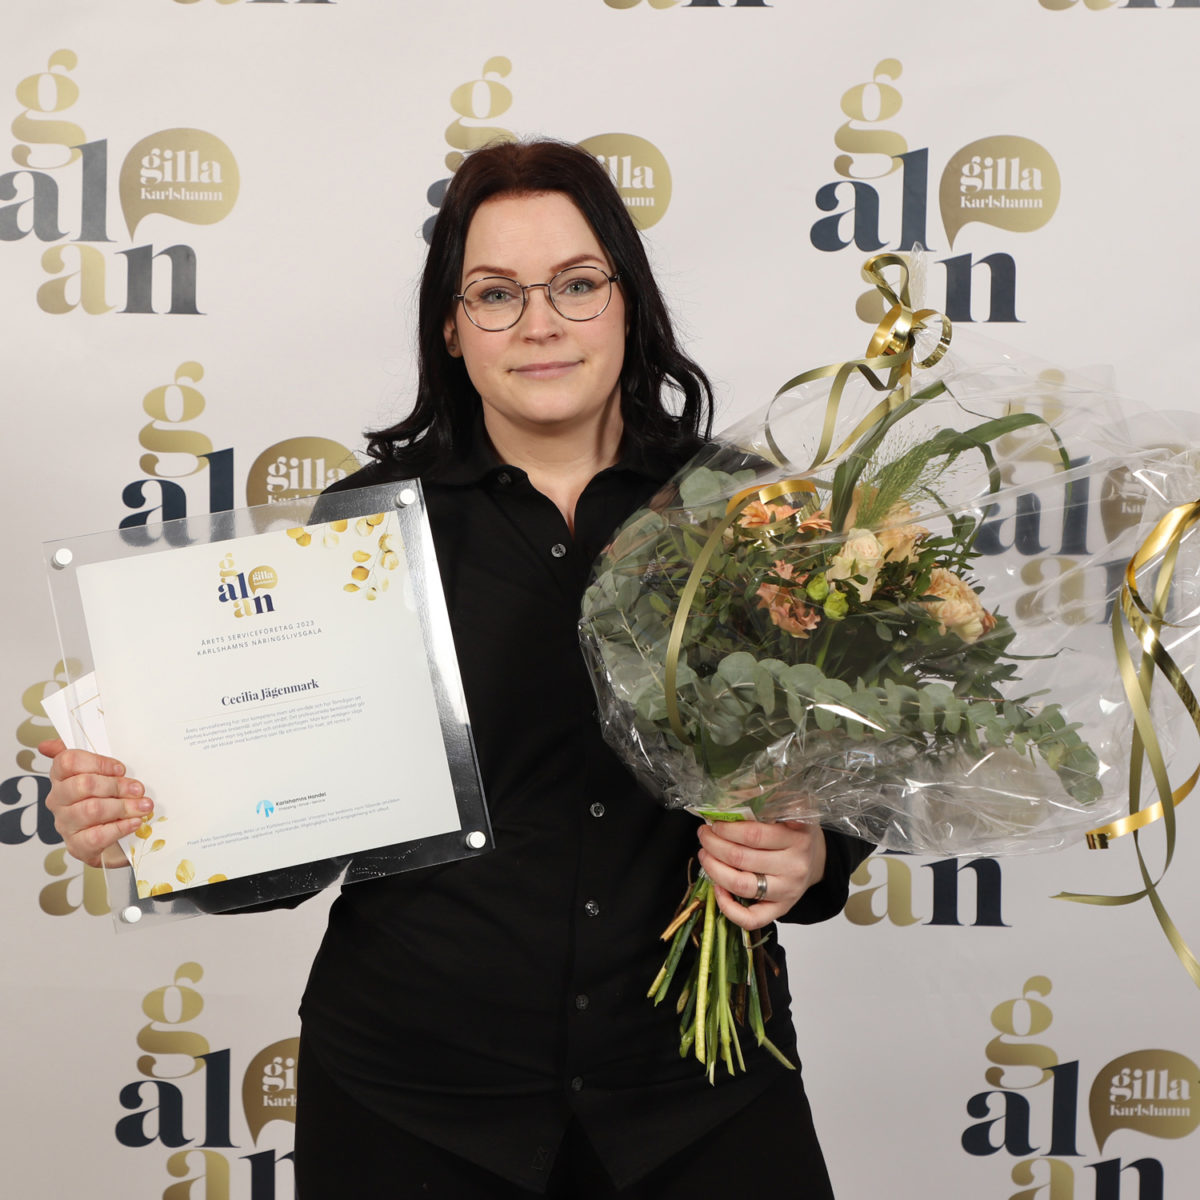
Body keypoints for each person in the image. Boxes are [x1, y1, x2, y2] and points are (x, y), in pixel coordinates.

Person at [42, 138, 873, 1198]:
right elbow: (287, 845)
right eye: (495, 293)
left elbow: (850, 757)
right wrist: (155, 814)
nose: (540, 323)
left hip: (699, 1093)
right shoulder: (364, 528)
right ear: (451, 324)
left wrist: (813, 854)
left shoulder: (746, 512)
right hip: (415, 1110)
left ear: (628, 300)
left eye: (576, 284)